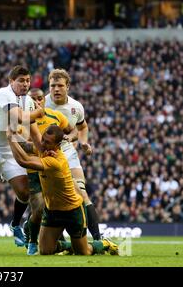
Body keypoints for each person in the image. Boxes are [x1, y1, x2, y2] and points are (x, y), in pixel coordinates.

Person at [7, 125, 118, 255]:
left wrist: (10, 138)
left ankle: (104, 243)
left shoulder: (56, 162)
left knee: (84, 252)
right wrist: (15, 135)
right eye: (42, 139)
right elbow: (26, 147)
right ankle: (66, 246)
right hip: (53, 211)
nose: (42, 144)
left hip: (72, 210)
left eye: (47, 142)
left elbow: (24, 161)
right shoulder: (45, 150)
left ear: (57, 145)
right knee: (45, 251)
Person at [0, 65, 44, 256]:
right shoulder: (3, 94)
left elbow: (35, 133)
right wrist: (39, 113)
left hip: (9, 147)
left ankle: (14, 225)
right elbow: (18, 117)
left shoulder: (27, 101)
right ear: (11, 82)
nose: (25, 84)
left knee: (24, 191)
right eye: (20, 80)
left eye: (27, 80)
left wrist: (44, 152)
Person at [45, 69, 102, 240]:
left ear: (67, 87)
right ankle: (56, 239)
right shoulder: (41, 103)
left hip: (68, 153)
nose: (56, 89)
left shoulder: (76, 107)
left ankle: (98, 239)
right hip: (47, 155)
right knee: (50, 199)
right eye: (53, 85)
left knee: (82, 194)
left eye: (60, 85)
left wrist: (83, 142)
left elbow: (82, 127)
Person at [21, 88, 78, 255]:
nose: (37, 102)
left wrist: (70, 138)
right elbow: (21, 145)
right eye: (32, 100)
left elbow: (73, 130)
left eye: (40, 99)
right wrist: (37, 146)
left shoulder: (55, 116)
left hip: (53, 169)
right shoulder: (22, 121)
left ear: (44, 100)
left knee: (59, 204)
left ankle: (59, 239)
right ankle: (32, 240)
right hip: (35, 169)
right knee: (38, 209)